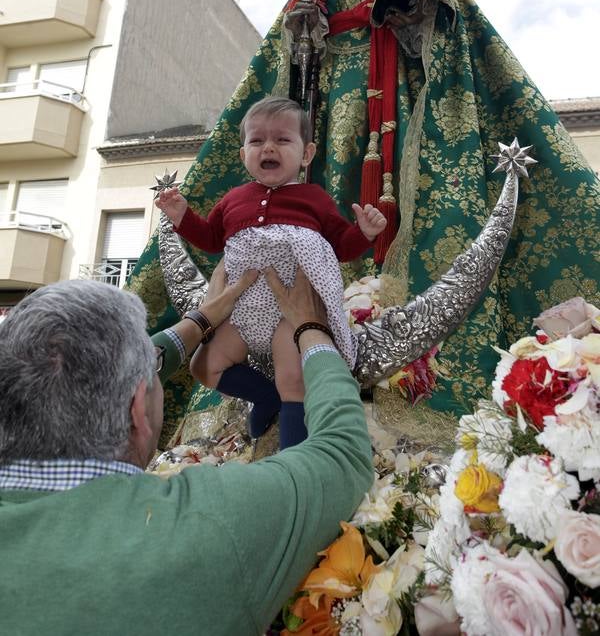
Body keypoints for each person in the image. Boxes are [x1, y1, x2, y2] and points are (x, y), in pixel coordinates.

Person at [129, 0, 600, 440]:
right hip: (322, 106)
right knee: (310, 194)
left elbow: (435, 19)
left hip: (393, 105)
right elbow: (285, 60)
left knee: (363, 209)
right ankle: (275, 362)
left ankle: (363, 319)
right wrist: (303, 29)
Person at [0, 269, 373, 636]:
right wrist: (311, 328)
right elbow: (342, 452)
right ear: (136, 412)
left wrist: (202, 318)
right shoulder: (208, 523)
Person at [155, 96, 386, 448]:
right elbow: (212, 239)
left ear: (306, 154)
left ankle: (291, 459)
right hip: (243, 306)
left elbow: (341, 245)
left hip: (291, 311)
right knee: (204, 365)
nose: (269, 147)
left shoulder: (315, 198)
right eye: (257, 140)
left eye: (282, 139)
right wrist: (182, 216)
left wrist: (365, 233)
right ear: (243, 154)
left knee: (293, 378)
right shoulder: (233, 199)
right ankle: (266, 397)